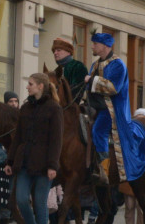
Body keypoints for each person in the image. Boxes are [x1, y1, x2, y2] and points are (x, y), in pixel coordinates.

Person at [5, 72, 63, 224]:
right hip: (24, 162)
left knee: (40, 203)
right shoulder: (25, 108)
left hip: (44, 164)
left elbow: (56, 140)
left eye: (30, 84)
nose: (27, 87)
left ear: (40, 86)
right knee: (21, 199)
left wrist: (53, 165)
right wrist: (10, 161)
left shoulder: (54, 108)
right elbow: (18, 137)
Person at [87, 31, 145, 188]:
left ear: (105, 46)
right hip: (94, 106)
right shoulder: (95, 64)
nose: (92, 46)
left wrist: (93, 80)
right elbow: (89, 87)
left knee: (98, 130)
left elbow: (113, 87)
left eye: (95, 44)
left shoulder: (118, 65)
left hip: (111, 109)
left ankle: (103, 168)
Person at [52, 37, 88, 101]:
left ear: (68, 52)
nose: (55, 53)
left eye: (58, 50)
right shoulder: (56, 71)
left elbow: (78, 91)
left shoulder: (78, 66)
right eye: (54, 51)